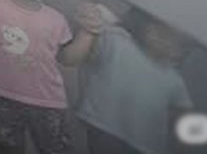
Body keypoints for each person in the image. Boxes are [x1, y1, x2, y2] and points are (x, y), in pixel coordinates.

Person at [0, 0, 103, 154]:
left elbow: (67, 59)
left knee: (55, 149)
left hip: (46, 100)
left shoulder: (55, 20)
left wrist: (88, 32)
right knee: (9, 148)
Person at [76, 9, 192, 154]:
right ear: (148, 29)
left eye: (179, 45)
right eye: (158, 32)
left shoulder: (174, 79)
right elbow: (89, 45)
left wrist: (183, 147)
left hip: (143, 143)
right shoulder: (118, 41)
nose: (157, 38)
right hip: (104, 126)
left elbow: (183, 113)